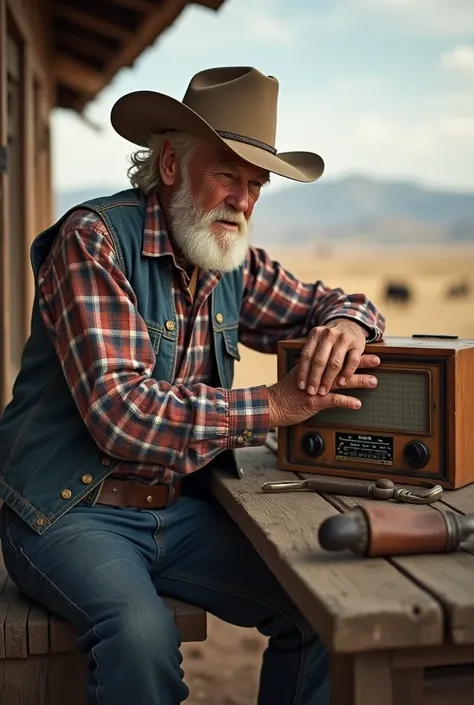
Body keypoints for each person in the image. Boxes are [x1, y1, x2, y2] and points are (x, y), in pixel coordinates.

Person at [0, 66, 385, 705]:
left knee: (322, 610)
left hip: (182, 510)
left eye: (256, 184)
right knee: (141, 636)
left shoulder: (227, 256)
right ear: (172, 164)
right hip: (70, 511)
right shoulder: (93, 240)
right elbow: (120, 412)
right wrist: (275, 406)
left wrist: (348, 322)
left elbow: (327, 302)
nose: (242, 200)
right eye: (227, 175)